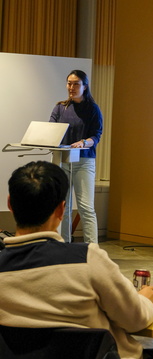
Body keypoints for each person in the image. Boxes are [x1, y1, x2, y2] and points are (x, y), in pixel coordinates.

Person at [0, 160, 153, 359]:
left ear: (10, 205)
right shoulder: (87, 259)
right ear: (61, 209)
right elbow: (134, 319)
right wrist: (145, 299)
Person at [50, 69, 102, 243]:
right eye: (69, 83)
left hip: (84, 161)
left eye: (76, 84)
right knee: (63, 207)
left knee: (86, 207)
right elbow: (51, 130)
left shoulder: (93, 109)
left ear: (85, 86)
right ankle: (63, 247)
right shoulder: (60, 107)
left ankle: (92, 250)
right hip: (62, 161)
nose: (71, 87)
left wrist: (83, 142)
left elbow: (96, 135)